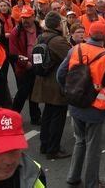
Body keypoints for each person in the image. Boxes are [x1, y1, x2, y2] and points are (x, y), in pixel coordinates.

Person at [57, 21, 105, 188]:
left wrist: (67, 90)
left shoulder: (75, 49)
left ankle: (73, 176)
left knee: (80, 140)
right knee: (93, 147)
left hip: (75, 102)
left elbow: (60, 73)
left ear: (88, 34)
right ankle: (92, 183)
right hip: (95, 107)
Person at [31, 11, 72, 159]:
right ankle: (53, 149)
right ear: (57, 24)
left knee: (48, 114)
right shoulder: (58, 41)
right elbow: (71, 58)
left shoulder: (40, 37)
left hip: (43, 81)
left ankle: (45, 144)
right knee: (58, 117)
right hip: (55, 84)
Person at [9, 5, 42, 124]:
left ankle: (35, 117)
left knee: (35, 93)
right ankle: (12, 117)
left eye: (27, 17)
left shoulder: (40, 30)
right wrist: (24, 63)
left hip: (37, 65)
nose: (25, 20)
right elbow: (13, 52)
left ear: (33, 17)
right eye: (23, 18)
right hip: (23, 67)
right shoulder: (16, 32)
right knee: (22, 93)